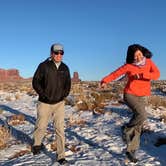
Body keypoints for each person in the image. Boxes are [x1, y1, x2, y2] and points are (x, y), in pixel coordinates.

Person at [100, 44, 160, 163]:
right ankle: (126, 129)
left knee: (138, 124)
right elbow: (115, 74)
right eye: (135, 56)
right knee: (142, 115)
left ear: (142, 53)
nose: (138, 57)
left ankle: (130, 151)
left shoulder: (149, 62)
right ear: (131, 57)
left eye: (139, 54)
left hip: (143, 96)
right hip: (130, 94)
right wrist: (105, 80)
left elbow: (157, 75)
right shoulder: (128, 66)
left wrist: (143, 75)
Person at [32, 43, 71, 165]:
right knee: (41, 125)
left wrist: (63, 95)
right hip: (44, 103)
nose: (59, 55)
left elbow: (68, 84)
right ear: (51, 53)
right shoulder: (44, 66)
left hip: (59, 103)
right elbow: (35, 81)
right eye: (56, 53)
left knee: (60, 129)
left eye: (61, 53)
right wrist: (43, 95)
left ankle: (61, 156)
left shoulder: (65, 68)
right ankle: (37, 144)